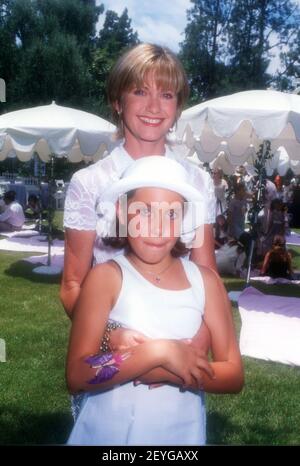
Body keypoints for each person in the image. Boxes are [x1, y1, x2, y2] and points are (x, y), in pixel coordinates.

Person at [66, 156, 244, 446]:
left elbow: (233, 374)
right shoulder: (105, 278)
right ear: (123, 213)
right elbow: (77, 373)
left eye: (172, 214)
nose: (158, 227)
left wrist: (168, 373)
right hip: (106, 433)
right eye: (144, 211)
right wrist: (158, 353)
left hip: (179, 434)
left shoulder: (206, 283)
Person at [61, 43, 217, 318]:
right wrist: (112, 337)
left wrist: (197, 342)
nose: (154, 106)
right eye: (140, 91)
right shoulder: (89, 183)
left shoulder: (197, 181)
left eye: (167, 95)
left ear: (178, 106)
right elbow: (73, 284)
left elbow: (207, 277)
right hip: (116, 343)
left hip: (181, 335)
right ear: (118, 102)